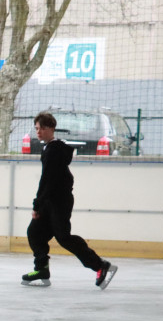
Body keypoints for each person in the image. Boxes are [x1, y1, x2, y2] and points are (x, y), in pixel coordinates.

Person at [22, 111, 118, 289]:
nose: (38, 132)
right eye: (36, 129)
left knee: (64, 237)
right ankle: (41, 269)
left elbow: (47, 180)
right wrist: (42, 203)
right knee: (35, 232)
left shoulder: (54, 150)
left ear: (51, 128)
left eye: (41, 128)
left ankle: (101, 265)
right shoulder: (49, 148)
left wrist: (37, 204)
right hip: (50, 200)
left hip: (59, 201)